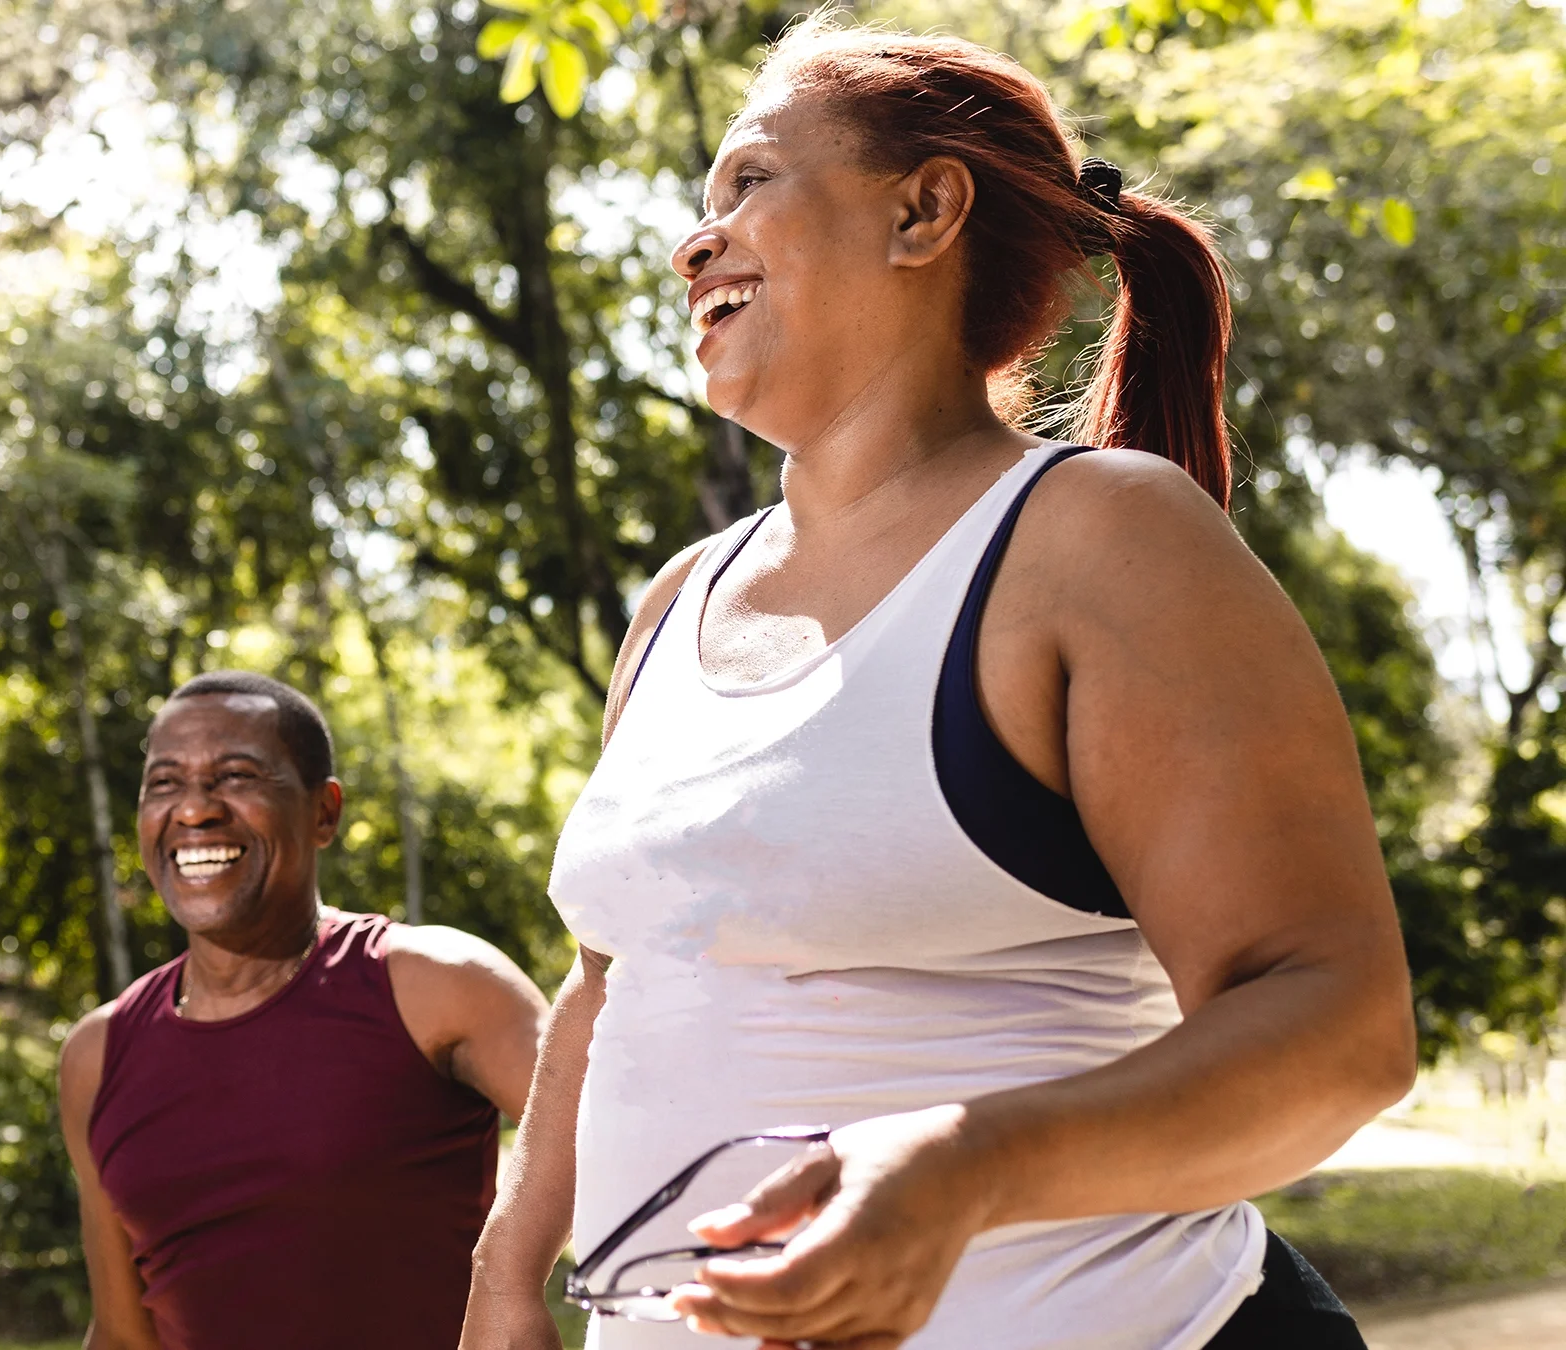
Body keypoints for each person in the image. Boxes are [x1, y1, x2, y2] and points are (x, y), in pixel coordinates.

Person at [462, 18, 1415, 1350]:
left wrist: (965, 1169)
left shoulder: (1098, 540)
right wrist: (509, 1269)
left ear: (924, 211)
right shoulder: (678, 599)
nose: (695, 241)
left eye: (749, 183)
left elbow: (1341, 1030)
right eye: (699, 204)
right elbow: (615, 976)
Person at [59, 670, 548, 1350]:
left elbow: (629, 1144)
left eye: (236, 775)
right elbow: (120, 1336)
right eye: (165, 782)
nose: (195, 809)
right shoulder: (99, 1054)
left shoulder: (435, 984)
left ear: (324, 812)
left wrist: (510, 1281)